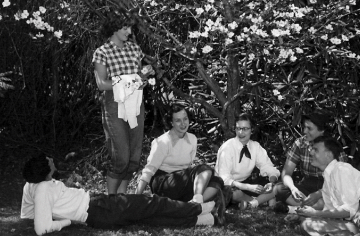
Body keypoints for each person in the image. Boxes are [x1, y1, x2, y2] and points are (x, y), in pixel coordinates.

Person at [20, 154, 226, 236]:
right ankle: (198, 207)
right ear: (46, 170)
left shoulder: (32, 186)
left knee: (150, 217)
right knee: (150, 202)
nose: (51, 160)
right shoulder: (43, 189)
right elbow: (42, 228)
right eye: (49, 161)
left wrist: (51, 212)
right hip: (97, 208)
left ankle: (204, 219)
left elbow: (28, 214)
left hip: (97, 211)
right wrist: (64, 221)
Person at [92, 15, 153, 194]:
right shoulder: (102, 52)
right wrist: (129, 81)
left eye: (130, 28)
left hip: (135, 103)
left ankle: (122, 197)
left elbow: (140, 80)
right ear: (114, 28)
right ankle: (111, 200)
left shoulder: (134, 49)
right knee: (121, 157)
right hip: (115, 104)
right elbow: (101, 84)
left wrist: (144, 76)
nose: (129, 32)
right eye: (125, 28)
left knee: (134, 158)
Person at [297, 136, 360, 236]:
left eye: (315, 150)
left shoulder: (341, 169)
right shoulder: (327, 179)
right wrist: (304, 215)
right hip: (354, 220)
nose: (311, 152)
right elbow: (330, 213)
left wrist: (315, 214)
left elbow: (349, 210)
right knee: (306, 224)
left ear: (328, 155)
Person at [135, 104, 224, 204]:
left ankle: (189, 205)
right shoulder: (163, 142)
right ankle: (197, 201)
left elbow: (188, 168)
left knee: (217, 181)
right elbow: (149, 170)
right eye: (178, 120)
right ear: (171, 122)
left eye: (185, 119)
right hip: (163, 183)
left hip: (182, 181)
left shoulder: (192, 139)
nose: (183, 124)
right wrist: (136, 197)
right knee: (204, 169)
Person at [215, 113, 280, 210]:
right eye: (238, 128)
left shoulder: (255, 146)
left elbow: (267, 167)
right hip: (228, 185)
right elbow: (224, 178)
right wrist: (248, 187)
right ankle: (261, 201)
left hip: (246, 183)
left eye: (245, 129)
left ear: (252, 130)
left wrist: (271, 182)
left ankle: (252, 203)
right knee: (235, 194)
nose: (241, 132)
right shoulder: (227, 148)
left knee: (276, 186)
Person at [273, 113, 329, 213]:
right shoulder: (300, 143)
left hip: (327, 187)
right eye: (304, 127)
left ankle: (293, 209)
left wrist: (319, 194)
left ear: (322, 131)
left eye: (309, 128)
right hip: (306, 185)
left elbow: (339, 181)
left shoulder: (332, 147)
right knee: (279, 188)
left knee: (333, 198)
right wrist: (293, 188)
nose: (304, 131)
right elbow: (286, 173)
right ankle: (312, 209)